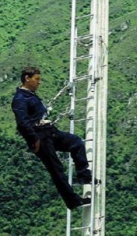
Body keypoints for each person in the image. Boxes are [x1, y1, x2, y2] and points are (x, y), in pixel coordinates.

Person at [11, 66, 92, 210]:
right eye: (36, 79)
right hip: (40, 137)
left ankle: (84, 176)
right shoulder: (20, 99)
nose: (39, 82)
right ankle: (73, 201)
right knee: (56, 170)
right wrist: (33, 140)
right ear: (27, 79)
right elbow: (22, 123)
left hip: (49, 132)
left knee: (76, 142)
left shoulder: (30, 95)